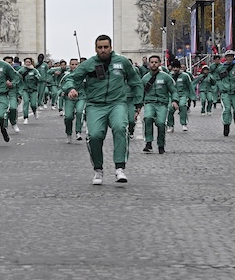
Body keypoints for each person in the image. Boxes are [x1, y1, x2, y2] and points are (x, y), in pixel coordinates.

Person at [62, 35, 143, 185]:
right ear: (95, 48)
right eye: (100, 47)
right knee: (94, 136)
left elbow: (135, 81)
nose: (103, 50)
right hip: (95, 105)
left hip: (117, 103)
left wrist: (138, 103)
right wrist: (71, 89)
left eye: (106, 47)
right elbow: (71, 78)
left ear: (111, 47)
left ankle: (120, 168)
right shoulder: (88, 64)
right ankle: (98, 169)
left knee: (120, 128)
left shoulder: (122, 62)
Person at [141, 55, 175, 154]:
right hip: (149, 103)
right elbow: (140, 93)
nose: (154, 64)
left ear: (160, 63)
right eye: (152, 62)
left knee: (161, 123)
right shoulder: (145, 78)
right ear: (149, 64)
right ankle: (148, 142)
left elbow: (173, 90)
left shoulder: (166, 77)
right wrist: (137, 106)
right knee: (147, 118)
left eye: (156, 62)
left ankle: (161, 144)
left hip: (162, 103)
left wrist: (174, 100)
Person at [215, 50, 235, 136]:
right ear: (225, 57)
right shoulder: (221, 68)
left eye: (231, 56)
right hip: (226, 92)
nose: (229, 58)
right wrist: (222, 88)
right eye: (228, 56)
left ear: (233, 57)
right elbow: (217, 79)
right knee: (226, 109)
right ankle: (226, 125)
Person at [165, 59, 193, 133]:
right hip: (172, 96)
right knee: (170, 109)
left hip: (182, 95)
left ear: (179, 67)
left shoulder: (185, 76)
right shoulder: (169, 76)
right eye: (174, 67)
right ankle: (170, 125)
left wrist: (191, 96)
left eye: (177, 67)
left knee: (182, 106)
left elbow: (190, 86)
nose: (175, 69)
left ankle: (184, 123)